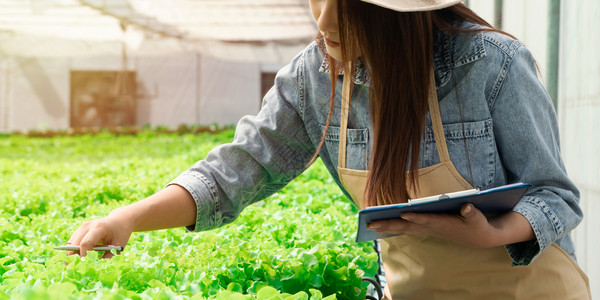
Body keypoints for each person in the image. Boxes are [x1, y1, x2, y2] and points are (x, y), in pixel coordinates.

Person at [67, 0, 591, 298]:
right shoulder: (316, 79)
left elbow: (555, 195)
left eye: (347, 5)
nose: (323, 22)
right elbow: (239, 168)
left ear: (398, 15)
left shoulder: (492, 65)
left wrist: (492, 233)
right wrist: (129, 218)